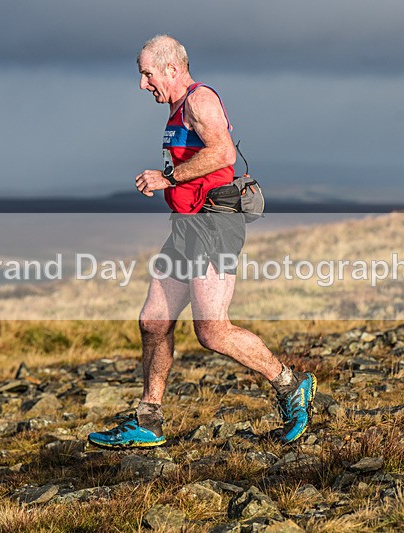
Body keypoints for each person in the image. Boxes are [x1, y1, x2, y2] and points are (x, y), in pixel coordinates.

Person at [88, 35, 317, 448]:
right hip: (186, 227)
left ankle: (290, 383)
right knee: (154, 321)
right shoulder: (177, 109)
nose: (143, 84)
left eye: (147, 74)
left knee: (212, 331)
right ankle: (149, 419)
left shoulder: (199, 100)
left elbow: (224, 153)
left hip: (214, 224)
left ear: (171, 68)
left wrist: (167, 178)